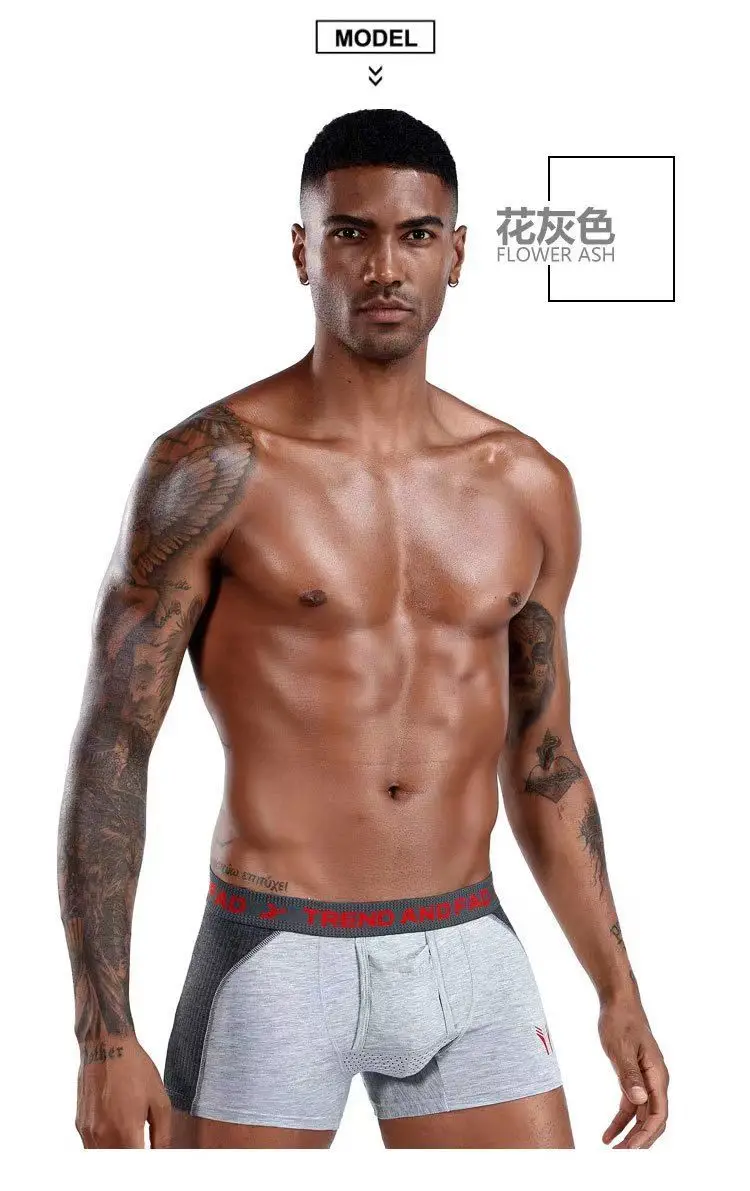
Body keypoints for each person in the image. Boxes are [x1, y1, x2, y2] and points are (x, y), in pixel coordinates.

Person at [57, 107, 669, 1149]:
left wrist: (619, 989)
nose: (385, 266)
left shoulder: (528, 486)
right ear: (304, 250)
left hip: (468, 943)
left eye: (416, 234)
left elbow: (544, 759)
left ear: (456, 254)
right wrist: (103, 1033)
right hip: (273, 951)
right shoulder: (212, 467)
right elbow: (114, 746)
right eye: (351, 233)